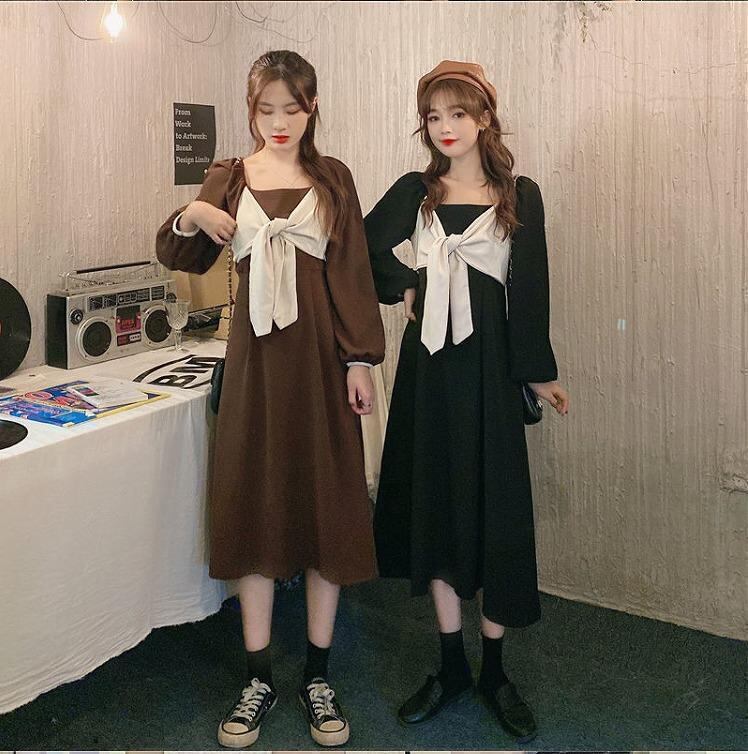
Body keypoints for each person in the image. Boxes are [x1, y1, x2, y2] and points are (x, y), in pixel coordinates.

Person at [156, 49, 385, 748]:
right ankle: (257, 676)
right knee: (252, 502)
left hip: (319, 366)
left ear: (312, 108)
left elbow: (351, 273)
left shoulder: (332, 178)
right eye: (266, 109)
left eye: (293, 107)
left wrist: (359, 359)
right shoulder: (229, 178)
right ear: (251, 110)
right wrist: (193, 213)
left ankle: (318, 673)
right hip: (255, 366)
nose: (279, 121)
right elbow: (180, 255)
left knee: (325, 503)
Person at [364, 59, 570, 744]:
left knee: (495, 509)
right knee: (438, 504)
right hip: (429, 373)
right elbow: (358, 248)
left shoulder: (518, 194)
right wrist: (403, 283)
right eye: (433, 116)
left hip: (489, 372)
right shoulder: (415, 191)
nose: (445, 127)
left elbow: (530, 288)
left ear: (484, 118)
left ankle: (494, 672)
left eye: (458, 113)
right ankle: (451, 665)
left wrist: (536, 374)